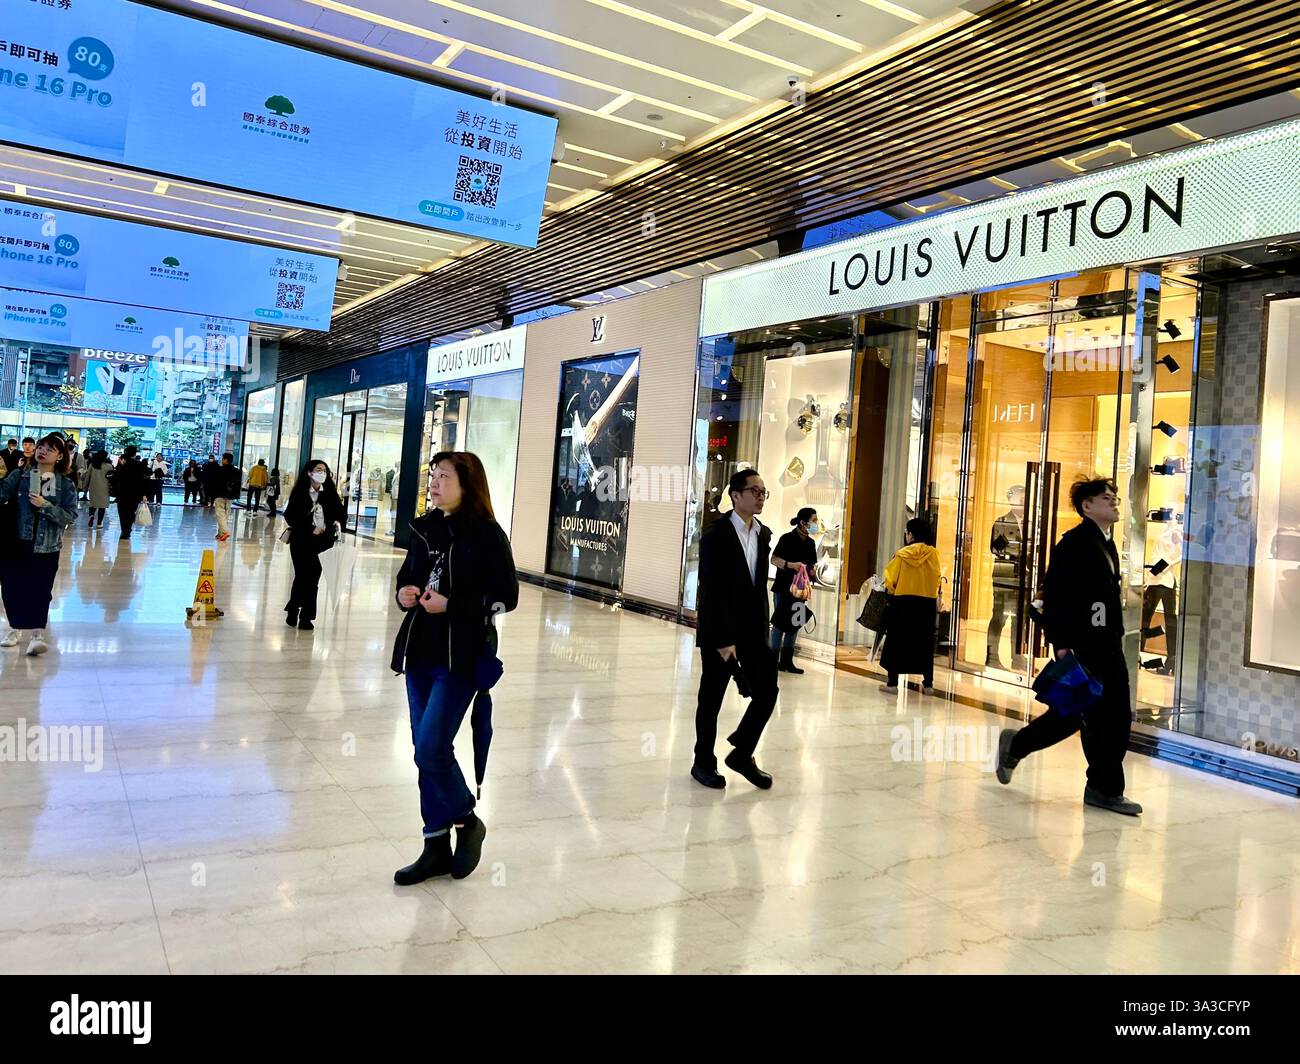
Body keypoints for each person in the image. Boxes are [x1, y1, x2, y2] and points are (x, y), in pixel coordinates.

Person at [389, 451, 519, 885]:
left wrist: (453, 605)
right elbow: (408, 576)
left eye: (443, 476)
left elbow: (506, 598)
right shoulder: (424, 528)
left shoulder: (486, 535)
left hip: (460, 657)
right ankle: (435, 844)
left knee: (430, 749)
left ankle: (468, 819)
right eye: (432, 475)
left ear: (468, 483)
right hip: (420, 653)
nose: (435, 482)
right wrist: (405, 593)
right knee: (425, 752)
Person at [995, 477, 1142, 817]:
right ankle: (1104, 789)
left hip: (1108, 646)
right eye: (1107, 498)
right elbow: (1054, 596)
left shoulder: (1107, 544)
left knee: (1095, 716)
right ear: (1087, 506)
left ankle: (1018, 745)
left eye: (1115, 498)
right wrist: (1061, 644)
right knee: (1091, 717)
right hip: (1084, 647)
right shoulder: (1074, 544)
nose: (1115, 502)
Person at [691, 468, 779, 791]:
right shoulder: (716, 536)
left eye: (763, 492)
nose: (760, 497)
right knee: (711, 699)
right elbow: (710, 590)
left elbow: (757, 589)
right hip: (720, 634)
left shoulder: (764, 535)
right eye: (754, 491)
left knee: (767, 691)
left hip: (753, 633)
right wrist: (723, 639)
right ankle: (703, 762)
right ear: (735, 495)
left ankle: (742, 753)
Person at [0, 433, 78, 656]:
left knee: (40, 591)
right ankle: (15, 629)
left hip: (47, 546)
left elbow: (70, 516)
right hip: (16, 541)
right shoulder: (21, 475)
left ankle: (36, 635)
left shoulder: (64, 483)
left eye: (49, 449)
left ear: (60, 456)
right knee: (12, 588)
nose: (42, 451)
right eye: (40, 447)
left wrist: (45, 505)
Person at [282, 460, 347, 630]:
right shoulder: (299, 493)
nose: (322, 473)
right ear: (309, 473)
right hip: (301, 541)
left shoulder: (330, 493)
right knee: (302, 575)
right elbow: (290, 516)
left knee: (313, 579)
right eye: (318, 470)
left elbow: (340, 513)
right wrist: (310, 528)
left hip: (322, 542)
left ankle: (306, 616)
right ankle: (294, 608)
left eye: (325, 470)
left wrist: (335, 525)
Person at [880, 517, 942, 693]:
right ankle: (928, 684)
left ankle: (892, 683)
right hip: (926, 604)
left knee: (897, 641)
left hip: (903, 602)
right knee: (924, 642)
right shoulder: (934, 554)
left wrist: (892, 590)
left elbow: (890, 579)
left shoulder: (902, 554)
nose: (906, 536)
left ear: (911, 535)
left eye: (907, 533)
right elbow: (937, 577)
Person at [769, 506, 820, 675]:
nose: (815, 524)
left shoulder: (811, 543)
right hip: (783, 588)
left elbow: (812, 564)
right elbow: (774, 559)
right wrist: (792, 565)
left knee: (795, 624)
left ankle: (787, 661)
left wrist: (812, 571)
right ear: (802, 522)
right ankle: (771, 660)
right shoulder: (787, 539)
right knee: (779, 624)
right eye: (813, 521)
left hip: (800, 591)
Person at [988, 484, 1028, 671]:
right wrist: (1017, 553)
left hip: (1024, 577)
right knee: (999, 616)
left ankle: (1018, 658)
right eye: (1020, 499)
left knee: (1020, 619)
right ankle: (992, 656)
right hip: (1004, 575)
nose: (1022, 502)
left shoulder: (1031, 523)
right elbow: (995, 548)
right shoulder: (1002, 521)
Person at [111, 445, 148, 540]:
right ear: (135, 454)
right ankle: (128, 529)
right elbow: (143, 480)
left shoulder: (122, 464)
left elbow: (115, 477)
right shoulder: (139, 464)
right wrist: (143, 493)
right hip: (135, 493)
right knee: (131, 511)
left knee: (122, 512)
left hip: (122, 492)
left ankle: (124, 531)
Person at [213, 452, 242, 542]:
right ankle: (220, 533)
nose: (222, 461)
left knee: (220, 513)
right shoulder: (237, 471)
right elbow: (238, 484)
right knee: (226, 513)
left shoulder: (219, 470)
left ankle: (225, 532)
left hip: (220, 494)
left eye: (223, 459)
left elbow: (215, 483)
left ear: (225, 460)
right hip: (230, 496)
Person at [82, 450, 112, 529]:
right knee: (102, 506)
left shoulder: (92, 465)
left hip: (93, 488)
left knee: (93, 504)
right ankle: (99, 523)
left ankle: (91, 516)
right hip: (105, 488)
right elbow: (111, 479)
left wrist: (85, 487)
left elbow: (88, 477)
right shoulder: (109, 466)